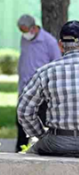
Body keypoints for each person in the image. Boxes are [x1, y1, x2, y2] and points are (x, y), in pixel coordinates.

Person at [18, 21, 79, 157]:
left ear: (60, 45)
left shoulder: (46, 71)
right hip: (60, 142)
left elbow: (24, 111)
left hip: (58, 142)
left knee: (28, 155)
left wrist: (41, 135)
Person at [16, 14, 61, 152]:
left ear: (34, 28)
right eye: (21, 31)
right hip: (24, 88)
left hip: (42, 91)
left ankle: (42, 150)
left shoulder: (49, 42)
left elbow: (57, 64)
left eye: (25, 30)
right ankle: (20, 151)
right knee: (20, 122)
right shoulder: (24, 39)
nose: (24, 34)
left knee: (39, 121)